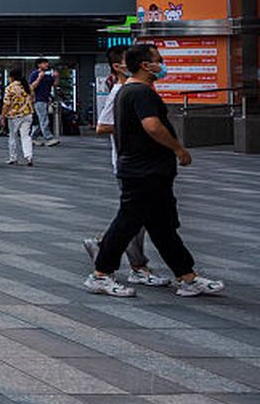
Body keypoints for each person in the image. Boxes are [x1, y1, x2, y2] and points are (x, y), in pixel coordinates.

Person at [87, 43, 223, 298]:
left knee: (161, 226)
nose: (161, 65)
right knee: (128, 222)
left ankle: (187, 276)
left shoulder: (127, 91)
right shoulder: (139, 92)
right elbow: (152, 126)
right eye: (158, 60)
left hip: (145, 169)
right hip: (144, 170)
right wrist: (178, 149)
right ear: (144, 65)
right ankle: (101, 274)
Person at [82, 46, 158, 286]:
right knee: (136, 215)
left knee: (138, 215)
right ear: (118, 66)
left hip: (140, 163)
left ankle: (127, 259)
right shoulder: (120, 92)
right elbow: (102, 127)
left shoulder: (134, 89)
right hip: (129, 163)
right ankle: (134, 264)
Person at [2, 71, 36, 166]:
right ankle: (28, 157)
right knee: (26, 136)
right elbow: (33, 99)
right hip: (28, 114)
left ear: (12, 78)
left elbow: (6, 104)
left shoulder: (10, 88)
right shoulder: (28, 86)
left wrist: (2, 116)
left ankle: (13, 157)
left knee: (13, 136)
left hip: (14, 116)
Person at [30, 58, 61, 146]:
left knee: (41, 119)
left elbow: (55, 84)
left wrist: (56, 77)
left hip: (46, 99)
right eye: (44, 63)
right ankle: (49, 138)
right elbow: (32, 86)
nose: (46, 65)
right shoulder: (34, 74)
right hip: (38, 100)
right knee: (44, 119)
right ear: (39, 65)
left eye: (47, 63)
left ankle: (32, 137)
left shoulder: (48, 75)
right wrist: (39, 78)